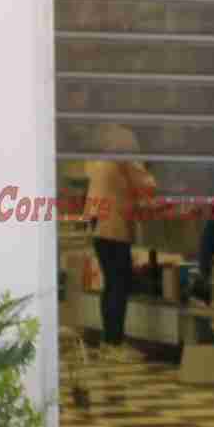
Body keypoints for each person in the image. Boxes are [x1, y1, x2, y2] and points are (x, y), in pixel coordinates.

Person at [79, 124, 157, 350]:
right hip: (112, 224)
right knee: (118, 283)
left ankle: (110, 340)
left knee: (112, 282)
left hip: (98, 220)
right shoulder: (124, 143)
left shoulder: (103, 146)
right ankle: (113, 343)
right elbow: (143, 180)